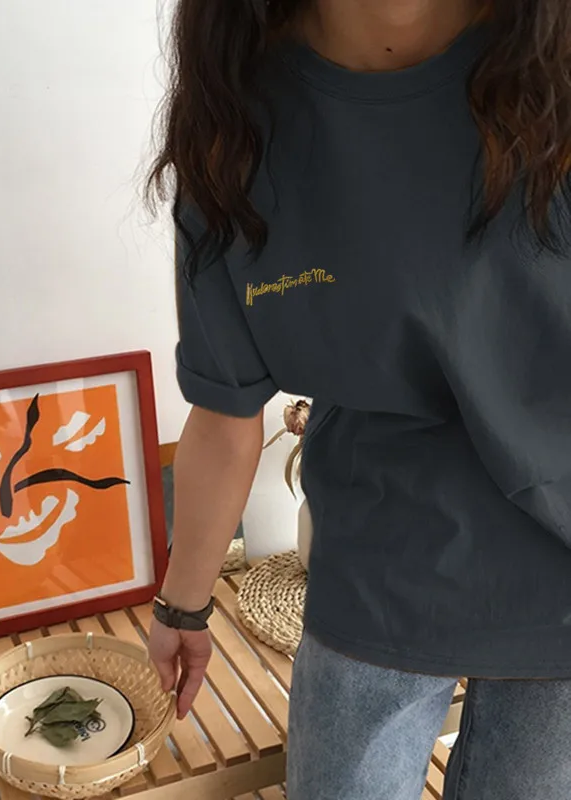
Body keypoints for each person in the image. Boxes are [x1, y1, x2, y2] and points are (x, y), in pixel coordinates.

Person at [145, 1, 571, 798]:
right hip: (377, 567)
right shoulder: (233, 127)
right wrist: (182, 607)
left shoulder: (553, 74)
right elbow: (226, 411)